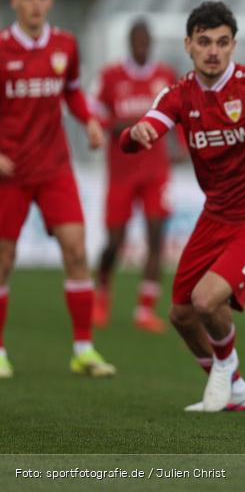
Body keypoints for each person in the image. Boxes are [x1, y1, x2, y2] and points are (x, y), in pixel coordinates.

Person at [120, 1, 245, 411]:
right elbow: (143, 133)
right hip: (217, 215)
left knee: (206, 300)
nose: (214, 50)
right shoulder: (178, 94)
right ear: (188, 44)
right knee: (179, 314)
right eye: (205, 42)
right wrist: (137, 134)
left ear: (233, 46)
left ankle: (224, 371)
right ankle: (235, 387)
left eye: (223, 42)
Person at [0, 0, 116, 379]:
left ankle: (83, 349)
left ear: (50, 2)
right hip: (10, 172)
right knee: (4, 259)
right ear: (15, 2)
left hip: (54, 168)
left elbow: (70, 90)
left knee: (77, 250)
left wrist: (88, 120)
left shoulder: (65, 44)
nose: (36, 5)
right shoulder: (1, 49)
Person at [91, 19, 178, 333]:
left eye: (145, 41)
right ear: (129, 42)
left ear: (150, 43)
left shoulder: (165, 76)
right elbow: (93, 111)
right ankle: (101, 296)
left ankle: (145, 310)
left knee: (157, 237)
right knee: (115, 242)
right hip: (122, 172)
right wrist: (119, 125)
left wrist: (180, 147)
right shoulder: (111, 76)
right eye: (136, 40)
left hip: (156, 171)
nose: (141, 45)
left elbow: (179, 112)